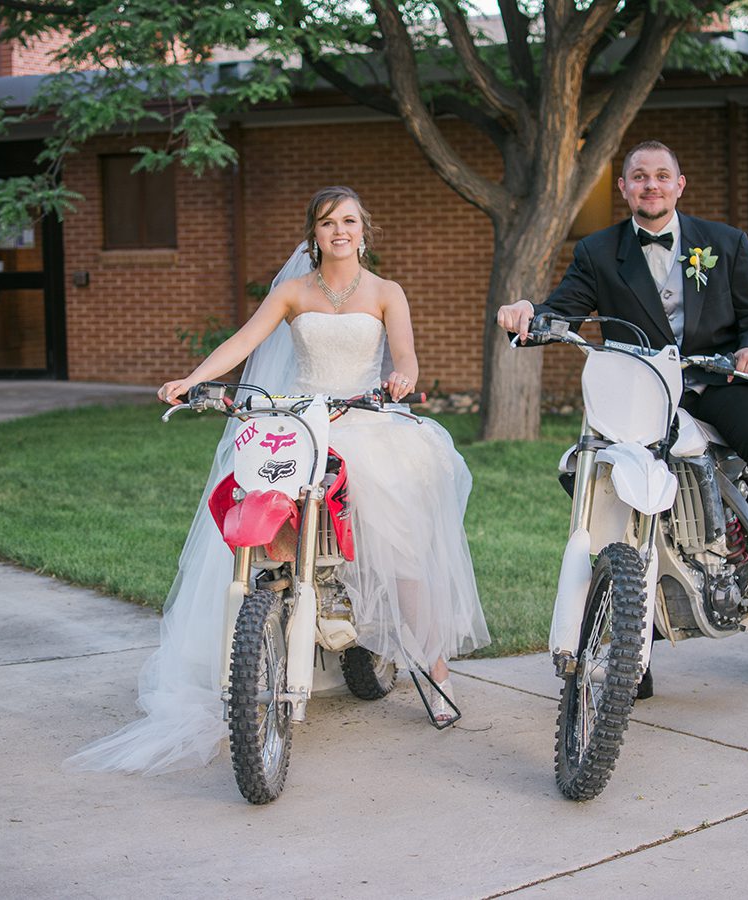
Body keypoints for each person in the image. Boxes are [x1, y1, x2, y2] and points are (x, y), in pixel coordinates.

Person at [67, 186, 488, 775]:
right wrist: (192, 380)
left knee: (402, 550)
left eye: (348, 221)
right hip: (301, 416)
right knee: (274, 524)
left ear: (364, 229)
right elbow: (243, 342)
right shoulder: (293, 291)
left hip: (365, 419)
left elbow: (407, 360)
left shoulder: (387, 293)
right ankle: (274, 628)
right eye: (326, 222)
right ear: (313, 233)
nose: (338, 231)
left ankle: (434, 671)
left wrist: (399, 380)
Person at [496, 141, 748, 698]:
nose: (651, 186)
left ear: (679, 184)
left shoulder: (724, 242)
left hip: (713, 381)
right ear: (624, 188)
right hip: (641, 392)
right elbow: (564, 306)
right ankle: (629, 646)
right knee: (599, 479)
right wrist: (531, 316)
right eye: (639, 177)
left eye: (662, 176)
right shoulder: (598, 250)